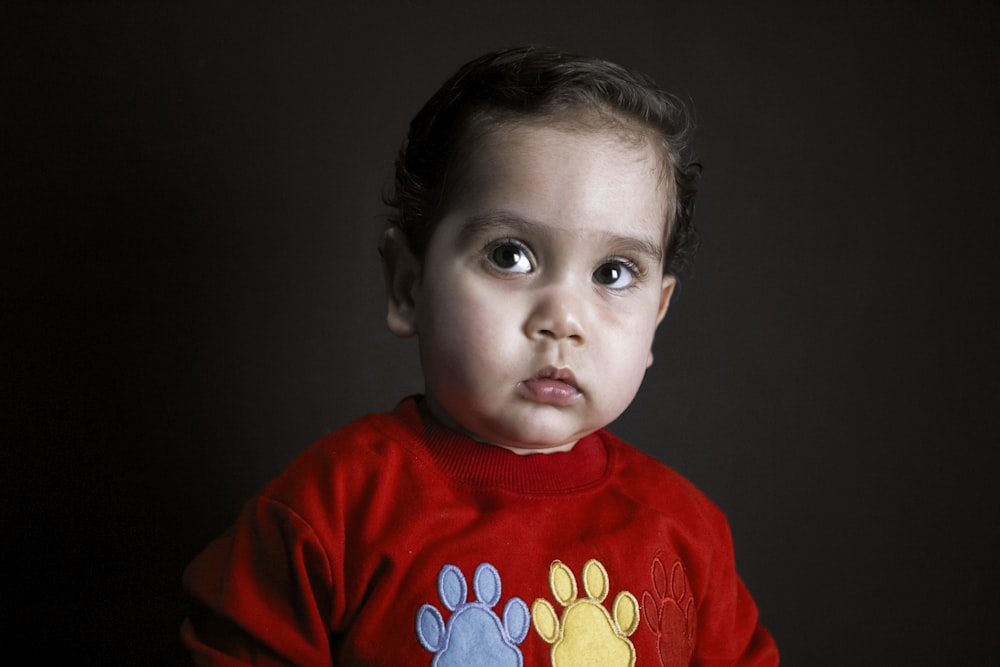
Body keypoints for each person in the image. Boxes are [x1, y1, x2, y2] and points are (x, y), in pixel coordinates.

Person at [181, 45, 779, 666]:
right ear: (408, 286)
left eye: (613, 271)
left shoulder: (688, 534)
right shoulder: (327, 513)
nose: (564, 320)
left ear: (656, 315)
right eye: (509, 255)